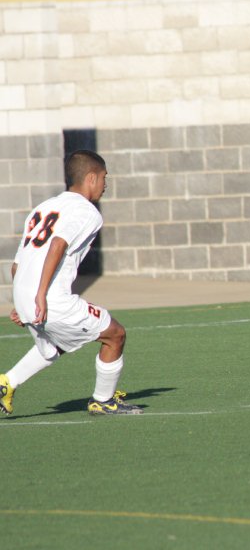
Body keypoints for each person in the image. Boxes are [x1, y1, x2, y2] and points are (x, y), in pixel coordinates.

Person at [1, 150, 142, 416]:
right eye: (103, 178)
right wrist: (41, 295)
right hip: (49, 299)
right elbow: (58, 243)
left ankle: (6, 383)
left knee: (53, 347)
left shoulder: (42, 208)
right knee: (115, 335)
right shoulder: (87, 212)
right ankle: (103, 400)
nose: (106, 185)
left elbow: (18, 264)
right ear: (91, 178)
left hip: (25, 296)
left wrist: (23, 301)